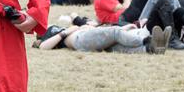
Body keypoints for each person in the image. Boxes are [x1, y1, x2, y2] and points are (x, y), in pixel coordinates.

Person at [33, 24, 171, 55]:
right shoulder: (43, 37)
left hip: (86, 35)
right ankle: (147, 41)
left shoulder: (50, 27)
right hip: (78, 39)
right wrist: (66, 32)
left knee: (117, 46)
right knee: (115, 33)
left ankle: (150, 49)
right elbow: (43, 47)